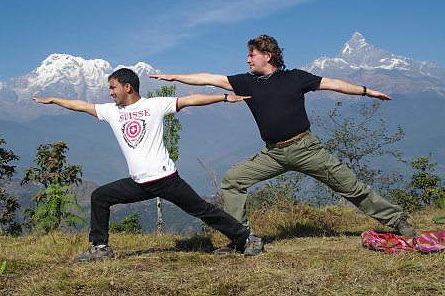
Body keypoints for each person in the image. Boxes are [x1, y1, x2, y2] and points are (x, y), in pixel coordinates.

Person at [150, 34, 416, 253]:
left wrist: (368, 92)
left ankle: (397, 220)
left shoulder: (295, 78)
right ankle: (241, 239)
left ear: (267, 55)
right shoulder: (245, 82)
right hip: (274, 154)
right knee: (233, 180)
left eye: (251, 54)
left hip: (306, 149)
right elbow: (209, 78)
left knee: (351, 186)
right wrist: (174, 77)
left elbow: (333, 83)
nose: (247, 59)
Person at [32, 67, 264, 261]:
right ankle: (100, 248)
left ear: (128, 87)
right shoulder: (111, 111)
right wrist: (54, 100)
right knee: (100, 197)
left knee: (203, 210)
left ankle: (247, 238)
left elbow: (190, 100)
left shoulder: (155, 105)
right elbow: (81, 105)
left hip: (165, 180)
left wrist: (224, 98)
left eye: (113, 87)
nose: (110, 93)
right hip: (139, 182)